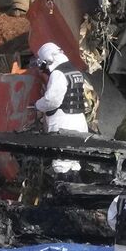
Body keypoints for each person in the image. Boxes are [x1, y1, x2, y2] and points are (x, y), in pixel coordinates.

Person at [33, 41, 92, 178]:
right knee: (74, 163)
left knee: (61, 165)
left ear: (48, 60)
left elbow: (51, 100)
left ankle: (62, 194)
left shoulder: (58, 74)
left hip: (64, 124)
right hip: (79, 122)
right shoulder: (75, 71)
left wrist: (37, 105)